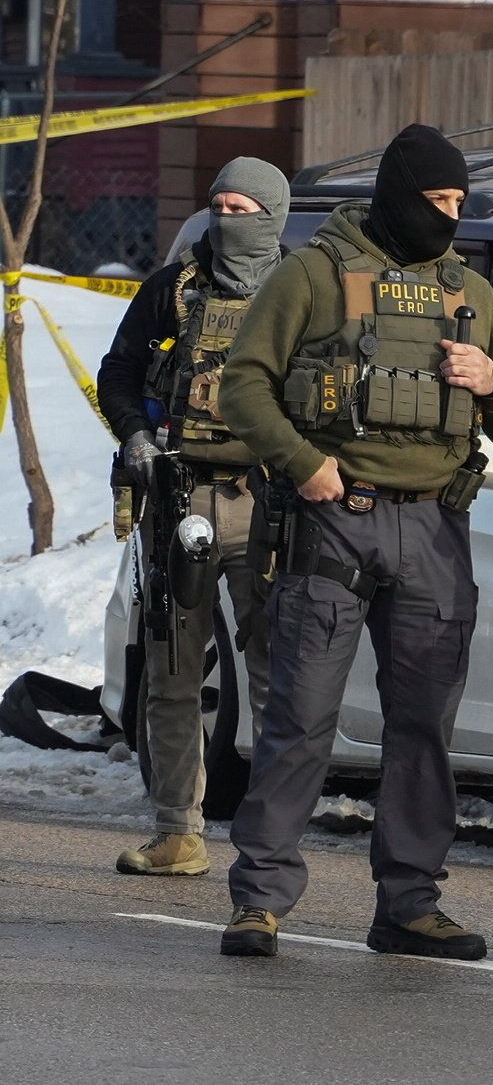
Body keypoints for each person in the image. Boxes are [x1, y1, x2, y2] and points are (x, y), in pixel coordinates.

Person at [214, 124, 493, 960]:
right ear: (399, 196)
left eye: (460, 203)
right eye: (437, 201)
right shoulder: (314, 274)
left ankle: (409, 904)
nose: (450, 217)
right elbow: (243, 384)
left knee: (424, 724)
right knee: (301, 716)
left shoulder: (470, 292)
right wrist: (304, 462)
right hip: (334, 517)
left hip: (435, 523)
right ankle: (261, 898)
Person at [96, 157, 290, 878]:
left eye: (244, 209)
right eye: (220, 206)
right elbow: (116, 371)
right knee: (175, 668)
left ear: (272, 214)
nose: (227, 221)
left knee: (278, 673)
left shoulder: (301, 292)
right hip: (180, 500)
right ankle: (178, 831)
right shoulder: (171, 290)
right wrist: (135, 434)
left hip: (270, 501)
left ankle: (271, 839)